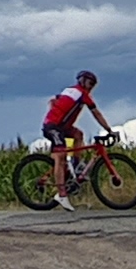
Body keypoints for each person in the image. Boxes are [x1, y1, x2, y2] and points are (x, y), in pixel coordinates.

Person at [38, 69, 107, 207]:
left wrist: (55, 112)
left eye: (94, 85)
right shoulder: (82, 94)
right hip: (53, 127)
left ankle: (76, 165)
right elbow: (96, 114)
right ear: (83, 81)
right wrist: (109, 130)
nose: (92, 87)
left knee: (78, 135)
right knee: (61, 157)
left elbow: (52, 100)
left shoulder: (69, 90)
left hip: (59, 126)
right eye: (91, 84)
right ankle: (62, 194)